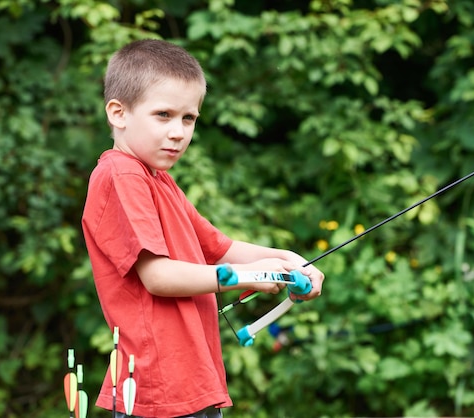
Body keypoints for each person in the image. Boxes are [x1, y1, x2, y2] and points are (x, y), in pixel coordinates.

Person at [81, 38, 325, 418]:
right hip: (158, 389)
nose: (179, 132)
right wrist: (249, 275)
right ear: (118, 113)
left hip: (191, 383)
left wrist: (289, 261)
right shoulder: (121, 175)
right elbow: (158, 277)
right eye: (163, 115)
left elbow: (221, 248)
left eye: (189, 118)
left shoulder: (158, 179)